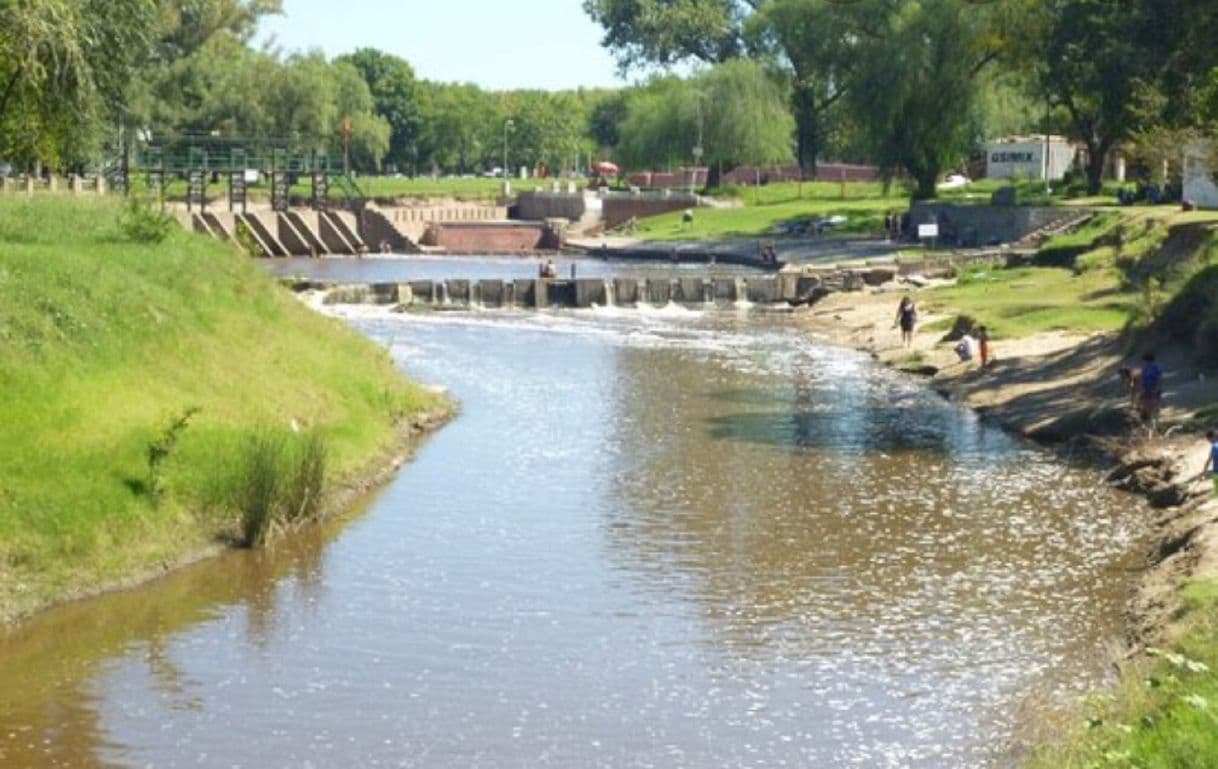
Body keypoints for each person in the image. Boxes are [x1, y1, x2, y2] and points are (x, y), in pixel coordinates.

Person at [1138, 352, 1164, 436]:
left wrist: (1157, 388)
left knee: (1149, 407)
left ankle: (1152, 426)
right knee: (1153, 407)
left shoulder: (1151, 368)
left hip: (1151, 389)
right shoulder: (1154, 367)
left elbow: (1159, 378)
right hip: (1151, 389)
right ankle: (1154, 425)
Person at [1200, 430, 1218, 496]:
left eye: (1208, 439)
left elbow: (1209, 460)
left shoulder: (1214, 447)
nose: (1208, 441)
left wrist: (1203, 472)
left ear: (1212, 437)